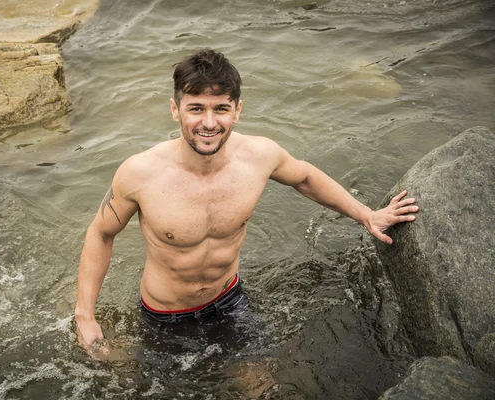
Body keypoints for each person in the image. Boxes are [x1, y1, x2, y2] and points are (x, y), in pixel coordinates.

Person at [74, 49, 418, 350]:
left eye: (220, 109)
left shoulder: (260, 156)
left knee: (261, 386)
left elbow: (306, 178)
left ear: (237, 110)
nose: (208, 123)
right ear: (175, 110)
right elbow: (101, 233)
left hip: (229, 300)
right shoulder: (140, 173)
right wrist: (85, 316)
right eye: (196, 108)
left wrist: (367, 215)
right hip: (164, 316)